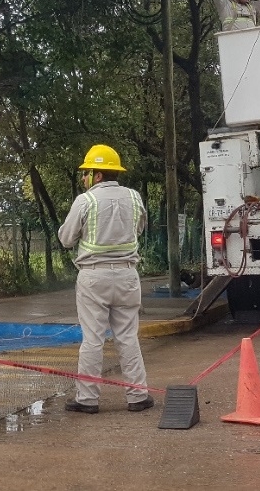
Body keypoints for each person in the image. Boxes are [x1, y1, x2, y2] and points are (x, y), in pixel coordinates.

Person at [58, 144, 153, 414]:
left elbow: (66, 239)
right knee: (127, 336)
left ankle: (87, 399)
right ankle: (138, 396)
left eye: (87, 172)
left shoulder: (85, 200)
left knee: (93, 339)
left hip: (94, 277)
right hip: (126, 275)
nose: (84, 177)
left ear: (98, 175)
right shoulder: (134, 197)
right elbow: (140, 228)